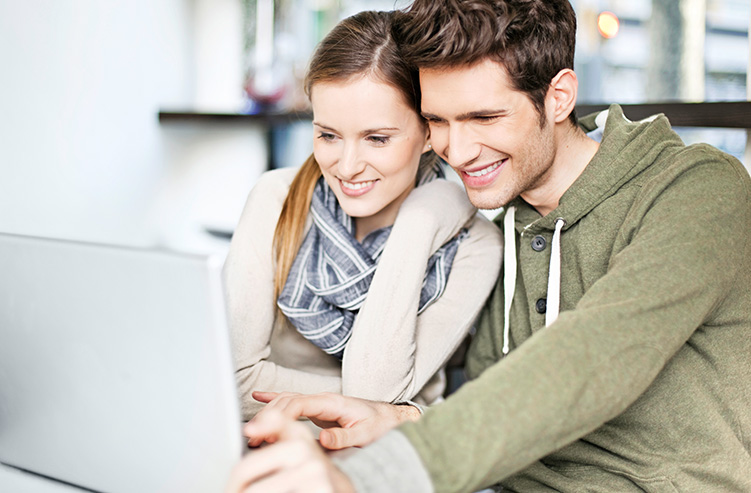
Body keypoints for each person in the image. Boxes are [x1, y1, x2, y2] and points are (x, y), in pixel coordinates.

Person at [226, 0, 751, 491]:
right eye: (437, 121)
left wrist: (368, 477)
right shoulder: (504, 225)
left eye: (484, 118)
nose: (458, 150)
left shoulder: (698, 190)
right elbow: (492, 398)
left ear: (559, 96)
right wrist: (406, 419)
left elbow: (590, 361)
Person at [223, 10, 502, 421]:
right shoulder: (277, 198)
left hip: (387, 464)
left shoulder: (474, 243)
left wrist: (422, 220)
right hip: (273, 453)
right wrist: (402, 408)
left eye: (376, 139)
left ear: (428, 132)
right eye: (328, 135)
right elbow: (233, 382)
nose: (347, 166)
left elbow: (372, 388)